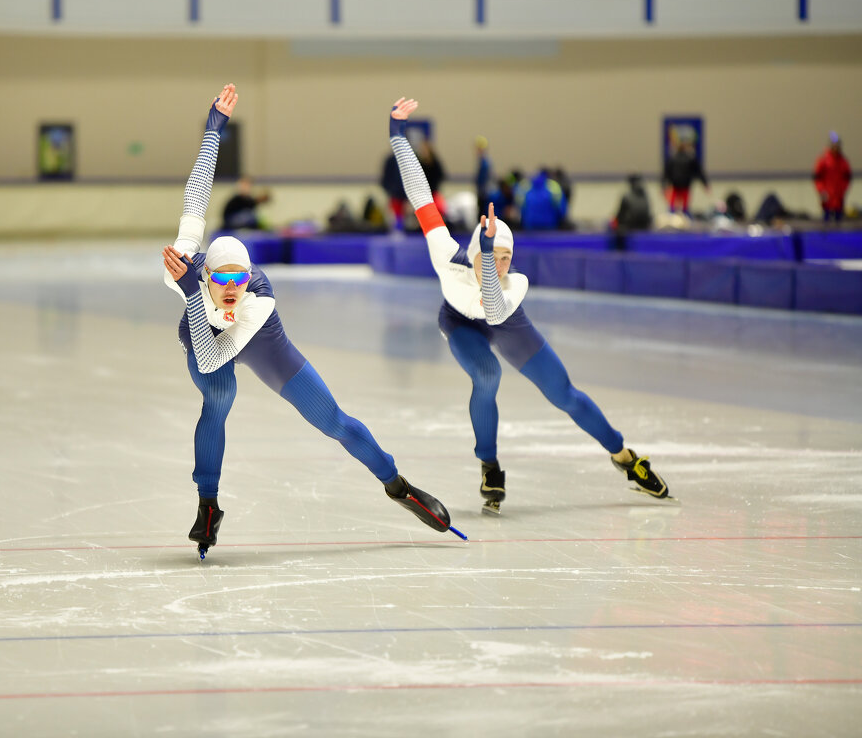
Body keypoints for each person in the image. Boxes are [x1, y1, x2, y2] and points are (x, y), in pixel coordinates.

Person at [162, 85, 456, 556]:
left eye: (241, 276)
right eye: (223, 279)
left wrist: (198, 298)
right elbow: (197, 191)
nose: (233, 286)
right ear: (206, 274)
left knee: (333, 420)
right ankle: (209, 504)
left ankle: (398, 485)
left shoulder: (257, 302)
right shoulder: (185, 264)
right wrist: (215, 126)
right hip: (202, 331)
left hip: (252, 336)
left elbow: (225, 347)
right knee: (218, 393)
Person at [386, 96, 671, 514]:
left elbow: (496, 310)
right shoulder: (446, 254)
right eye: (491, 257)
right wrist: (397, 133)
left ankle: (625, 457)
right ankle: (490, 464)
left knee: (564, 393)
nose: (499, 265)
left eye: (504, 257)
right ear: (473, 252)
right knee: (486, 374)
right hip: (461, 323)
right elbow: (420, 192)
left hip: (505, 319)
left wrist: (491, 258)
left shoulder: (515, 283)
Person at [813, 131, 852, 224]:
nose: (836, 147)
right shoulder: (823, 161)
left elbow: (847, 178)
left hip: (838, 198)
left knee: (839, 221)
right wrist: (821, 191)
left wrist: (842, 191)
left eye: (837, 145)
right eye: (834, 145)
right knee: (826, 222)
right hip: (827, 198)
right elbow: (817, 178)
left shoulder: (843, 162)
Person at [662, 140, 709, 216]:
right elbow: (699, 172)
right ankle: (682, 214)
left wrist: (663, 186)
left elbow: (666, 174)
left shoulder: (672, 159)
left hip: (675, 185)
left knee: (673, 208)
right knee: (684, 209)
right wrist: (705, 184)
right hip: (684, 186)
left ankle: (674, 213)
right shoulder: (690, 159)